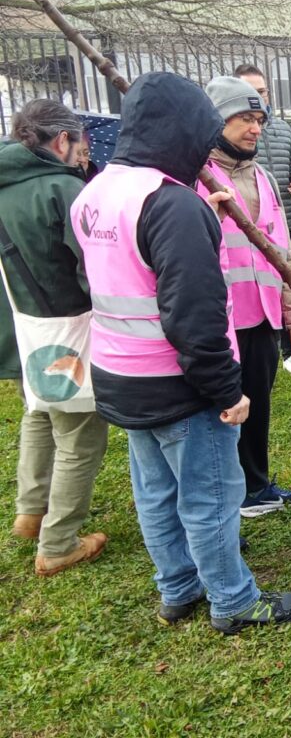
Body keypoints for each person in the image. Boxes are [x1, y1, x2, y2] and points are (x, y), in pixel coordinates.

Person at [70, 71, 291, 631]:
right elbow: (195, 317)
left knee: (156, 492)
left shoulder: (96, 193)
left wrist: (207, 227)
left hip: (119, 374)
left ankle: (177, 588)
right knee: (210, 498)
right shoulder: (173, 205)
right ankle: (234, 602)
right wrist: (227, 391)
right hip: (178, 383)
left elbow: (117, 273)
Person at [0, 99, 109, 575]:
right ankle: (59, 541)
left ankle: (30, 511)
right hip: (67, 327)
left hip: (20, 328)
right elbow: (92, 268)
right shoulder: (64, 189)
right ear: (62, 139)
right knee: (80, 434)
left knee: (39, 411)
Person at [197, 76, 291, 518]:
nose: (255, 128)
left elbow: (283, 250)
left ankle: (255, 488)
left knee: (258, 404)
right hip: (219, 321)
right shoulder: (195, 177)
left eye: (259, 119)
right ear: (216, 121)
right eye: (244, 118)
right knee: (219, 412)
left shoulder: (262, 176)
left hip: (263, 316)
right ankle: (224, 496)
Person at [233, 63, 291, 380]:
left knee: (284, 282)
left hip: (282, 223)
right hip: (244, 233)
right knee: (257, 289)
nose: (258, 97)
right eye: (249, 92)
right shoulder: (231, 138)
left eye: (262, 91)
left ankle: (289, 352)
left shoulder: (282, 131)